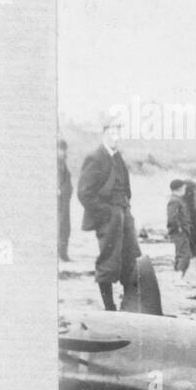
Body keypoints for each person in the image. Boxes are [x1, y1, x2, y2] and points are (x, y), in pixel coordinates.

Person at [76, 121, 142, 311]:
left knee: (132, 256)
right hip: (109, 216)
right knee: (109, 260)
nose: (116, 137)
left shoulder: (118, 157)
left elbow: (125, 185)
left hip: (124, 211)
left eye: (118, 134)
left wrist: (125, 206)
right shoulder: (95, 157)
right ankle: (109, 307)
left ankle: (128, 303)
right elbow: (84, 192)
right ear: (104, 134)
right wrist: (105, 213)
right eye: (112, 133)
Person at [167, 180, 192, 283]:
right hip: (180, 232)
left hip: (181, 231)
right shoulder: (175, 200)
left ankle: (177, 277)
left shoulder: (177, 199)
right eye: (184, 188)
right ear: (180, 188)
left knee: (181, 254)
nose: (185, 190)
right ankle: (178, 278)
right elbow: (172, 218)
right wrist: (179, 229)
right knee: (184, 255)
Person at [57, 139, 72, 261]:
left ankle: (63, 253)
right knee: (61, 226)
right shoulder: (57, 164)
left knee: (65, 227)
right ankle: (61, 253)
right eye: (61, 150)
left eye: (64, 150)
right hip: (59, 202)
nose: (64, 152)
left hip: (65, 201)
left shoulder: (62, 163)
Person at [182, 179, 196, 259]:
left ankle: (194, 252)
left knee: (192, 233)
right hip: (192, 214)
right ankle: (194, 252)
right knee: (192, 233)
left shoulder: (192, 191)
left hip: (193, 214)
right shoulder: (194, 191)